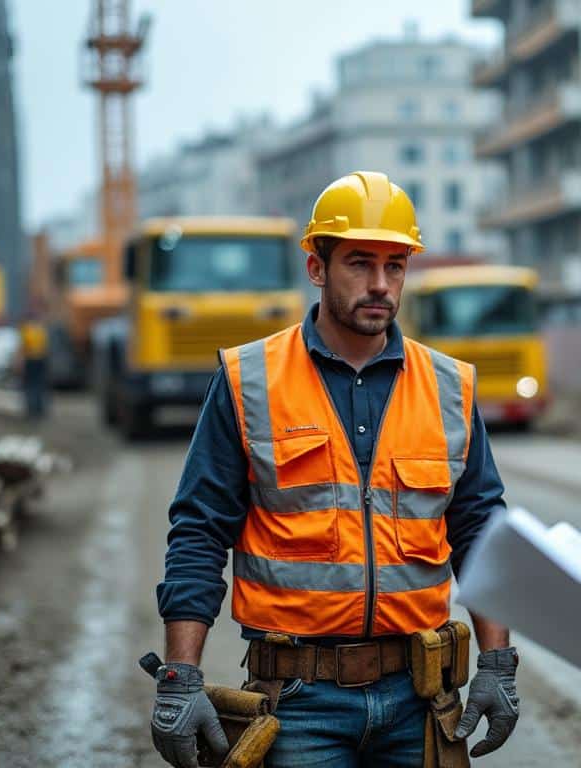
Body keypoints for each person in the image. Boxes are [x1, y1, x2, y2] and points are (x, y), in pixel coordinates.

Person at [150, 171, 520, 768]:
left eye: (395, 265)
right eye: (359, 263)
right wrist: (180, 675)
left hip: (419, 696)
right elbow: (199, 528)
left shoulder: (450, 386)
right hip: (299, 701)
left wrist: (498, 663)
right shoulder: (251, 380)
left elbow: (480, 528)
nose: (380, 284)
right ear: (317, 267)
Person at [18, 310, 49, 421]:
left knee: (30, 386)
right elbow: (45, 346)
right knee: (39, 385)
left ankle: (31, 410)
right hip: (40, 360)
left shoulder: (26, 330)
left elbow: (22, 348)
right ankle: (39, 410)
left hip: (30, 360)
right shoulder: (40, 329)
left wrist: (19, 362)